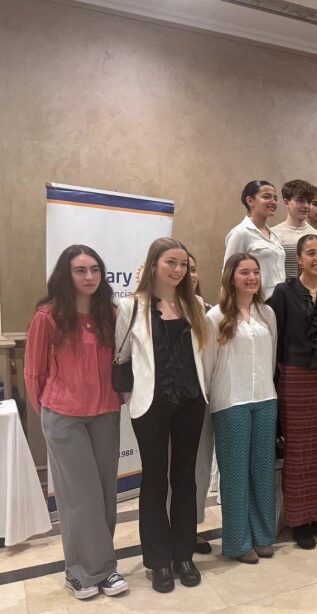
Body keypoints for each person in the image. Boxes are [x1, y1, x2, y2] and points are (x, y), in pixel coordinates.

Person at [25, 245, 127, 600]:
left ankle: (101, 567)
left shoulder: (110, 314)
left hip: (105, 413)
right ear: (66, 275)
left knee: (105, 494)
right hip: (64, 417)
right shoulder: (48, 317)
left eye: (95, 269)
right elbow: (33, 373)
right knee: (80, 497)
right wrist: (49, 413)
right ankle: (84, 572)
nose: (89, 276)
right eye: (80, 270)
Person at [115, 237, 208, 593]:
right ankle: (158, 560)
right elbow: (122, 356)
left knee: (185, 477)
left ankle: (184, 554)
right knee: (155, 479)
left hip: (190, 400)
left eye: (183, 264)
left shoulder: (194, 304)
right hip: (151, 404)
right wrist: (132, 396)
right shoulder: (132, 306)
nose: (178, 269)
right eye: (171, 262)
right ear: (154, 264)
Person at [268, 234, 317, 549]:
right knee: (299, 451)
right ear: (299, 259)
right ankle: (299, 521)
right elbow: (274, 336)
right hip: (296, 376)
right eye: (311, 253)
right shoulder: (283, 292)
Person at [203, 254, 278, 563]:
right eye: (244, 272)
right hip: (230, 401)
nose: (251, 277)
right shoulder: (215, 316)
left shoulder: (267, 313)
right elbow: (208, 363)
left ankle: (263, 535)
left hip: (265, 398)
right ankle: (237, 542)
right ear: (230, 277)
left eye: (255, 272)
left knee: (262, 471)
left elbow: (272, 357)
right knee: (235, 475)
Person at [188, 253, 215, 555]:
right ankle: (169, 526)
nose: (189, 274)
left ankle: (190, 526)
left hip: (203, 400)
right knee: (170, 470)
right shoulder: (154, 310)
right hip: (170, 404)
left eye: (193, 268)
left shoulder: (207, 311)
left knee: (199, 467)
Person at [223, 180, 285, 299]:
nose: (273, 202)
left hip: (280, 302)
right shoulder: (241, 233)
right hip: (257, 301)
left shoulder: (275, 236)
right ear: (250, 201)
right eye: (266, 197)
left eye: (275, 198)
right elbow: (227, 274)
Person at [272, 179, 317, 280]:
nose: (306, 205)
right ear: (286, 202)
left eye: (308, 201)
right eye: (301, 200)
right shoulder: (273, 234)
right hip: (281, 288)